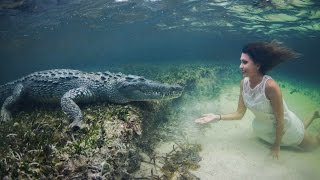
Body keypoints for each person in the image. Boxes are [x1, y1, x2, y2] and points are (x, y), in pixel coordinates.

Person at [195, 40, 320, 159]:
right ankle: (314, 115)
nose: (240, 66)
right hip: (266, 129)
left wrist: (276, 146)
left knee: (313, 145)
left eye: (244, 62)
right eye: (240, 62)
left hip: (286, 129)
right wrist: (216, 117)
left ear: (258, 65)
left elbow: (281, 121)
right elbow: (239, 114)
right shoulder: (243, 84)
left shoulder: (271, 87)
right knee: (302, 129)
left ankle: (313, 120)